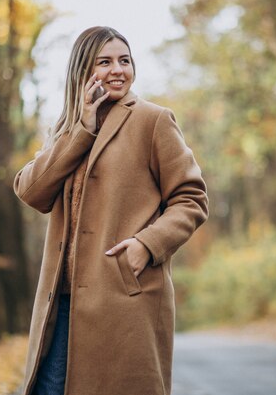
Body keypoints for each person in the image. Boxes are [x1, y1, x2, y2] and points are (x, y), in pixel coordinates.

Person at [12, 26, 208, 395]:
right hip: (62, 304)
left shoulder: (153, 120)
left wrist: (146, 244)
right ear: (84, 72)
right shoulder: (68, 130)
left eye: (125, 61)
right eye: (105, 62)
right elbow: (31, 191)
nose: (118, 70)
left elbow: (191, 198)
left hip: (123, 301)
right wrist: (81, 130)